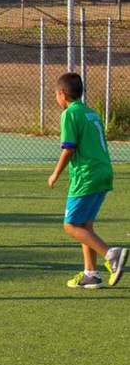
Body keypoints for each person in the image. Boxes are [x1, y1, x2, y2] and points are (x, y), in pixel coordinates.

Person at [48, 72, 127, 288]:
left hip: (86, 175)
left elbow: (69, 149)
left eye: (56, 95)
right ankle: (91, 274)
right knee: (85, 225)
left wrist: (55, 173)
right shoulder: (91, 113)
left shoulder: (70, 114)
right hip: (103, 171)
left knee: (71, 225)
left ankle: (112, 254)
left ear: (62, 94)